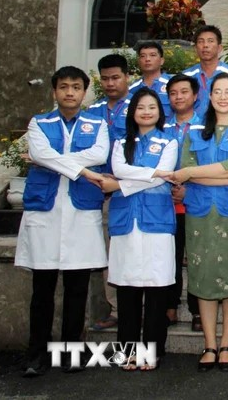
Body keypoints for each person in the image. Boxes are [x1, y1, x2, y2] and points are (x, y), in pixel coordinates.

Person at [16, 66, 109, 376]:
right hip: (46, 211)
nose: (70, 92)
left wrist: (53, 160)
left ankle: (70, 353)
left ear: (84, 91)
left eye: (76, 87)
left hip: (80, 212)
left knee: (76, 288)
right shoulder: (39, 122)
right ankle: (36, 355)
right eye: (64, 86)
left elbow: (100, 154)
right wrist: (81, 169)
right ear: (54, 91)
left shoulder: (97, 123)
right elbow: (39, 152)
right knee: (42, 290)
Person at [173, 72, 228, 373]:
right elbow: (187, 168)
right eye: (217, 91)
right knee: (203, 276)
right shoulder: (195, 130)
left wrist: (192, 174)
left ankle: (227, 344)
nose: (223, 96)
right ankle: (209, 344)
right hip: (200, 213)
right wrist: (224, 179)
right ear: (210, 96)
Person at [103, 88, 177, 371]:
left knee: (157, 286)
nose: (146, 112)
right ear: (132, 112)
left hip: (156, 220)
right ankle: (127, 351)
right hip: (126, 220)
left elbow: (161, 178)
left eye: (152, 107)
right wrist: (153, 172)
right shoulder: (121, 142)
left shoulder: (169, 141)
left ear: (160, 112)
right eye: (141, 107)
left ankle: (153, 351)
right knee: (127, 287)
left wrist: (119, 185)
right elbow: (120, 169)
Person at [87, 53, 132, 332]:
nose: (110, 83)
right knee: (107, 252)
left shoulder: (140, 105)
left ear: (127, 77)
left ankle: (140, 308)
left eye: (116, 77)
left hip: (131, 189)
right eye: (105, 79)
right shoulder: (92, 111)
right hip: (98, 191)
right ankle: (115, 308)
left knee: (131, 249)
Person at [163, 74, 202, 330]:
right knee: (171, 257)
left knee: (198, 256)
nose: (179, 97)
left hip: (197, 200)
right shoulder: (160, 127)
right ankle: (170, 305)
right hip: (166, 203)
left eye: (184, 92)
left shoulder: (205, 127)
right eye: (173, 93)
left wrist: (189, 190)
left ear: (195, 95)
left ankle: (198, 310)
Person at [181, 25, 228, 118]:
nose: (205, 45)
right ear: (195, 48)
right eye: (201, 41)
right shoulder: (185, 77)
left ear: (219, 48)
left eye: (210, 41)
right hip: (193, 126)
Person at [128, 41, 172, 117]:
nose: (147, 59)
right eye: (143, 56)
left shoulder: (173, 84)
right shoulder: (132, 89)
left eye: (152, 55)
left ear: (162, 61)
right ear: (139, 61)